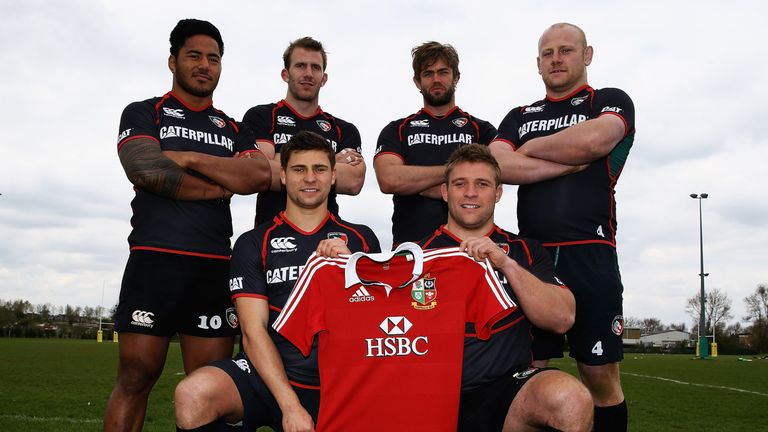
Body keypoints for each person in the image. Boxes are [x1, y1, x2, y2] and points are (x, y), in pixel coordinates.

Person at [106, 19, 271, 432]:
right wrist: (219, 186)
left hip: (214, 267)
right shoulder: (145, 112)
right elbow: (144, 167)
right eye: (194, 55)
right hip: (154, 259)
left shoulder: (235, 128)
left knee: (209, 386)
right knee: (136, 377)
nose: (204, 65)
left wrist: (189, 158)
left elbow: (256, 178)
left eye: (213, 58)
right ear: (172, 61)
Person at [174, 131, 380, 432]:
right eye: (299, 169)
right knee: (193, 394)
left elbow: (376, 322)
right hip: (267, 372)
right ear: (283, 175)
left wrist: (351, 270)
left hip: (335, 380)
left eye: (319, 169)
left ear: (333, 176)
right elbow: (252, 331)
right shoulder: (254, 242)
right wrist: (290, 405)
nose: (310, 178)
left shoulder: (361, 239)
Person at [490, 23, 635, 432]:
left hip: (590, 252)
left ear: (586, 55)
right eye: (548, 53)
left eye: (566, 50)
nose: (556, 58)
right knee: (529, 372)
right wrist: (565, 158)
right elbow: (497, 163)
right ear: (537, 64)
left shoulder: (608, 100)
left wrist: (530, 150)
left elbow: (597, 140)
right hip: (530, 256)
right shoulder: (520, 116)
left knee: (599, 374)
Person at [422, 144, 593, 431]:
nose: (471, 193)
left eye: (482, 184)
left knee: (570, 398)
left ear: (498, 193)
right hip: (430, 391)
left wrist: (506, 264)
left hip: (505, 389)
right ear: (444, 191)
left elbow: (562, 318)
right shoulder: (414, 255)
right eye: (460, 183)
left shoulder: (524, 251)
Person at [374, 41, 497, 245]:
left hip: (470, 247)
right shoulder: (397, 130)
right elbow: (389, 179)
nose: (436, 79)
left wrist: (417, 183)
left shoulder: (481, 129)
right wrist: (458, 177)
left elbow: (494, 180)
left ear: (456, 77)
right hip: (411, 249)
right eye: (428, 74)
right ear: (417, 81)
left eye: (443, 72)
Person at [242, 37, 365, 226]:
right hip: (273, 235)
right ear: (285, 74)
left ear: (324, 78)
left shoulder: (343, 129)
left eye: (315, 68)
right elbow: (260, 173)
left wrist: (277, 159)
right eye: (300, 66)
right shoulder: (261, 116)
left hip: (328, 240)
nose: (308, 73)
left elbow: (354, 181)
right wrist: (328, 161)